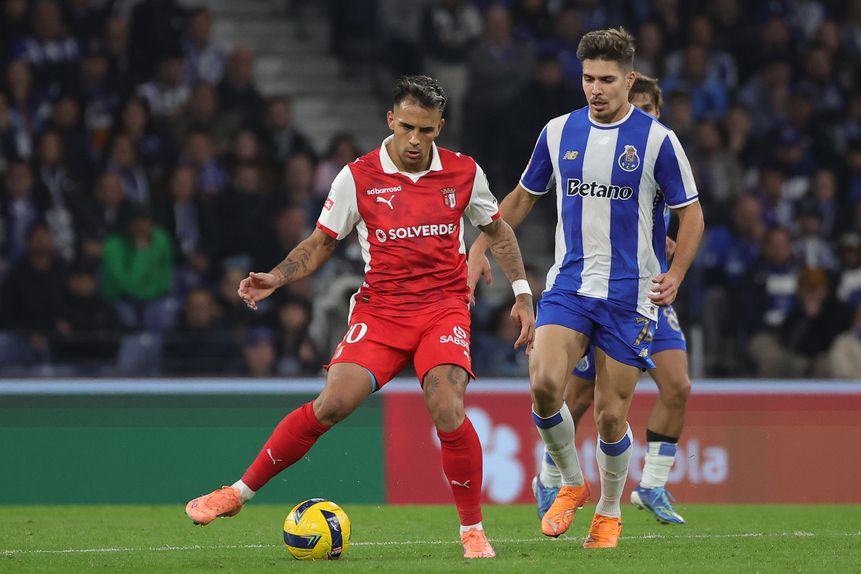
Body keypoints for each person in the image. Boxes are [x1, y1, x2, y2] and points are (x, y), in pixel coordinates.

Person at [185, 75, 535, 559]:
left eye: (427, 131)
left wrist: (522, 293)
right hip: (383, 310)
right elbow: (322, 242)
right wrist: (276, 278)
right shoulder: (357, 176)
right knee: (333, 403)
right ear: (391, 119)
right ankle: (237, 493)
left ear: (440, 127)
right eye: (408, 127)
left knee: (446, 401)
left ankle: (472, 530)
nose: (415, 140)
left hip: (442, 308)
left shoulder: (464, 173)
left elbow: (498, 232)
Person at [469, 28, 703, 549]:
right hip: (569, 286)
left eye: (606, 80)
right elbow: (523, 198)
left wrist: (677, 273)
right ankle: (571, 481)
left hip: (630, 297)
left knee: (609, 415)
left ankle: (610, 509)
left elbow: (691, 215)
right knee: (544, 384)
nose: (595, 89)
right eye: (588, 79)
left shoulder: (658, 140)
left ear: (629, 79)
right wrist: (481, 247)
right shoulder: (558, 132)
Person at [535, 74, 690, 527]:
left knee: (678, 385)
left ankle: (653, 485)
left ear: (656, 112)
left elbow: (686, 211)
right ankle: (553, 480)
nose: (639, 115)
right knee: (582, 397)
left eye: (648, 108)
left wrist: (673, 252)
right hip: (594, 289)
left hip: (649, 293)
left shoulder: (661, 152)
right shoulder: (598, 150)